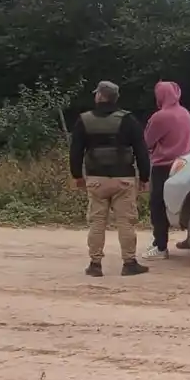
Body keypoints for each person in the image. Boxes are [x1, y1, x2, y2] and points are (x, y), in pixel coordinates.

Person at [69, 80, 152, 277]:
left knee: (97, 222)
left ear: (99, 96)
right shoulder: (128, 119)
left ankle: (95, 264)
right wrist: (144, 176)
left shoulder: (84, 120)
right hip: (123, 178)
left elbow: (76, 151)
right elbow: (141, 150)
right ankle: (129, 263)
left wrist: (77, 175)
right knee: (126, 222)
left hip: (96, 178)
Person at [142, 80, 190, 261]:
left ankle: (160, 246)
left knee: (158, 205)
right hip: (185, 164)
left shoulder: (160, 117)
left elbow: (147, 141)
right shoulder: (185, 113)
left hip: (163, 166)